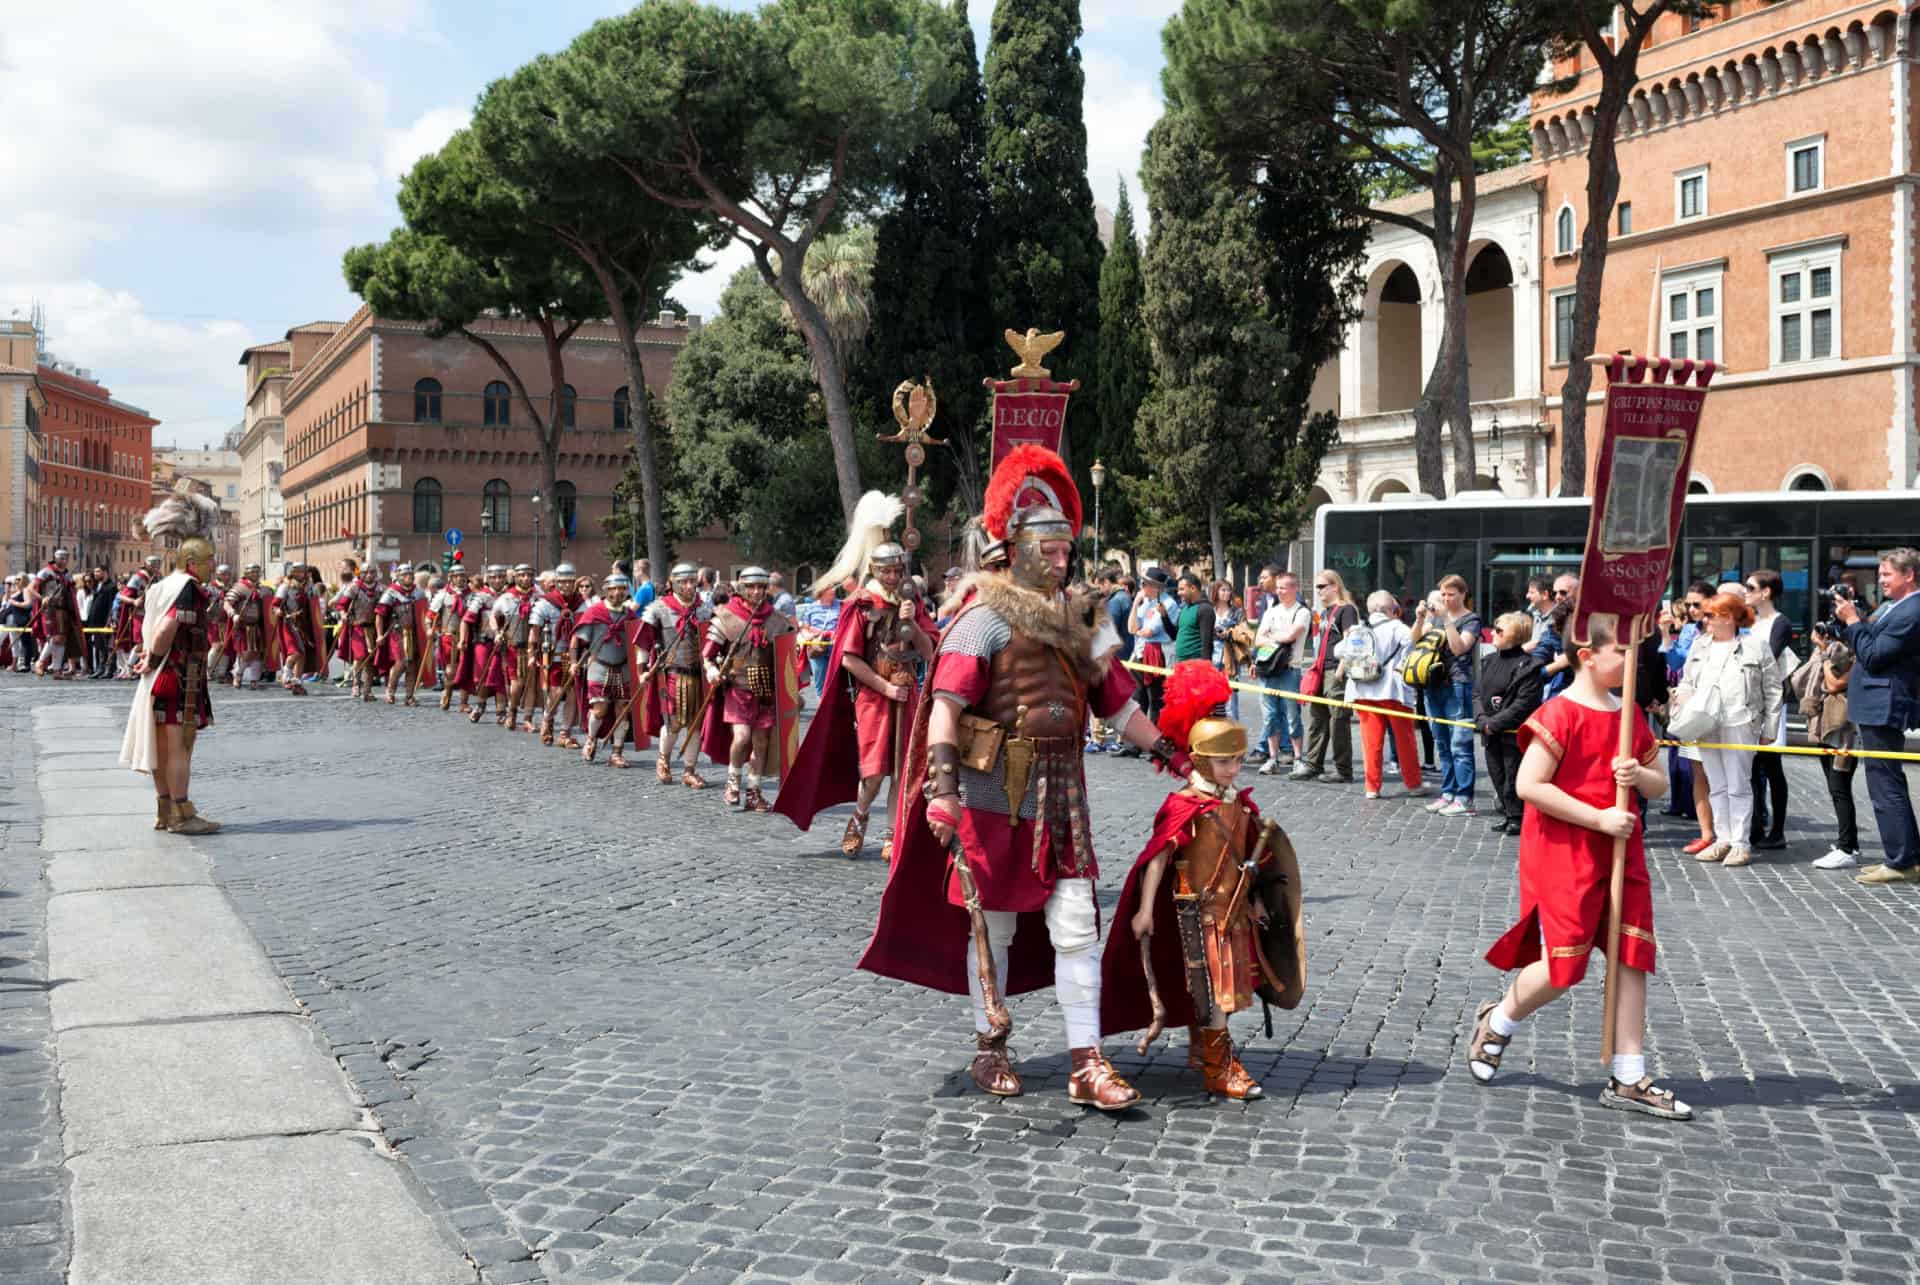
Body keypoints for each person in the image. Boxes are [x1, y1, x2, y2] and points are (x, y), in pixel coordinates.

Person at [859, 444, 1178, 1110]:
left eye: (1068, 549)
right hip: (991, 796)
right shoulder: (983, 618)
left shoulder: (1083, 621)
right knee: (995, 926)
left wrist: (1170, 750)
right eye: (1051, 549)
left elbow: (1118, 704)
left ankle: (1087, 1061)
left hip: (1062, 794)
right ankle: (990, 1043)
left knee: (1077, 924)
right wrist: (942, 796)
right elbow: (944, 711)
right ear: (1017, 550)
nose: (1064, 560)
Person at [1467, 618, 1690, 1120]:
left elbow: (1659, 785)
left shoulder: (1629, 712)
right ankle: (1499, 1021)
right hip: (1565, 850)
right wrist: (1597, 817)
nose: (1632, 664)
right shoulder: (1559, 712)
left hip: (1621, 848)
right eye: (1622, 654)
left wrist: (1640, 776)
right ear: (1587, 655)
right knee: (1565, 967)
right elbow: (1530, 786)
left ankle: (1629, 1074)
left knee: (1632, 953)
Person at [1102, 661, 1303, 1100]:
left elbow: (1250, 858)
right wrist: (1142, 911)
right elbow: (1159, 857)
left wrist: (1255, 901)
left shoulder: (1238, 805)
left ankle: (1202, 1046)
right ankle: (1218, 1065)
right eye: (1222, 761)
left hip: (1233, 913)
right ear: (1200, 760)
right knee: (1212, 987)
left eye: (1235, 760)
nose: (1232, 769)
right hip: (1199, 916)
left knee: (1219, 987)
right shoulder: (1185, 805)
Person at [772, 493, 935, 859]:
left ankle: (893, 834)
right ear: (876, 571)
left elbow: (930, 651)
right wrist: (885, 688)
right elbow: (848, 659)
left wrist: (912, 623)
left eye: (897, 571)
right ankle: (859, 818)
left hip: (907, 690)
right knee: (875, 773)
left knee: (902, 771)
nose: (893, 577)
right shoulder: (861, 603)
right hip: (874, 695)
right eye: (887, 571)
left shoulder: (912, 602)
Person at [120, 484, 224, 836]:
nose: (212, 565)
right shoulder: (188, 588)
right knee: (179, 747)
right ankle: (183, 813)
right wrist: (155, 656)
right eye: (208, 559)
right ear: (193, 562)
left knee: (162, 748)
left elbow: (149, 624)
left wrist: (149, 655)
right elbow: (169, 625)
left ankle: (164, 810)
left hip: (162, 676)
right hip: (180, 675)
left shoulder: (162, 584)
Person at [1834, 548, 1920, 886]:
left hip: (1883, 704)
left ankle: (1900, 860)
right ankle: (1907, 856)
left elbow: (1872, 656)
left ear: (1908, 575)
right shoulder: (1894, 608)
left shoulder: (1911, 610)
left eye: (1887, 574)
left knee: (1885, 784)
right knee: (1887, 782)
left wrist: (1854, 621)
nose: (1881, 580)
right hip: (1874, 703)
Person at [1676, 590, 1779, 868]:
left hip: (1741, 719)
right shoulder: (1700, 645)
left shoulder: (1756, 646)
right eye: (1706, 614)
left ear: (1730, 617)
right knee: (1716, 784)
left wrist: (1770, 726)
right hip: (1705, 721)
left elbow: (1772, 688)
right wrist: (1683, 700)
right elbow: (1686, 680)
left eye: (1712, 614)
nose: (1706, 619)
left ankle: (1741, 843)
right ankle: (1723, 838)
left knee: (1738, 784)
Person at [697, 566, 797, 811]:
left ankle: (754, 792)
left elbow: (787, 658)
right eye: (751, 587)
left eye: (760, 587)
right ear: (742, 589)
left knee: (761, 742)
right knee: (741, 738)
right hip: (738, 688)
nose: (756, 592)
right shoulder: (726, 616)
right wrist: (711, 671)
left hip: (765, 692)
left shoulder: (776, 620)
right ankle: (732, 783)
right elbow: (707, 655)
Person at [1792, 623, 1862, 870]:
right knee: (1836, 789)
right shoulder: (1826, 653)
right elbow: (1800, 681)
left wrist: (1824, 657)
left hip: (1843, 731)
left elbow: (1833, 684)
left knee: (1840, 787)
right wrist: (1820, 653)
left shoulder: (1851, 654)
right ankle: (1849, 842)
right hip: (1825, 727)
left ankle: (1847, 847)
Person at [639, 562, 714, 788]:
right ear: (674, 583)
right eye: (684, 582)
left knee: (695, 723)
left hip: (698, 674)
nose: (689, 586)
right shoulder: (659, 608)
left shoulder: (705, 609)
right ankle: (663, 760)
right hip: (671, 674)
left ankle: (690, 770)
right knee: (673, 722)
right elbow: (643, 641)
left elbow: (716, 639)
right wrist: (642, 670)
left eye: (692, 581)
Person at [1414, 574, 1482, 816]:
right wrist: (1420, 619)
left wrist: (1446, 619)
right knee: (1442, 743)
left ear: (1463, 594)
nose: (1445, 598)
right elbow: (1416, 642)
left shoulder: (1471, 620)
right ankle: (1448, 793)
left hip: (1457, 685)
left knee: (1460, 744)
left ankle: (1465, 799)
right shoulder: (1437, 619)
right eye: (1442, 594)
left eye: (1451, 594)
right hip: (1433, 685)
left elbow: (1459, 647)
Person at [1348, 589, 1423, 801]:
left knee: (1371, 742)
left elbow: (1340, 652)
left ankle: (1372, 787)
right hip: (1393, 690)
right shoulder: (1396, 626)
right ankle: (1413, 783)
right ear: (1392, 609)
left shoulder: (1357, 629)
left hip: (1363, 690)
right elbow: (1412, 642)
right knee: (1405, 740)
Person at [1475, 613, 1546, 836]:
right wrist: (1482, 720)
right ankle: (1508, 813)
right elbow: (1477, 694)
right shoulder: (1488, 661)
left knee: (1513, 774)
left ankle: (1518, 816)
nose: (1493, 633)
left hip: (1513, 733)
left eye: (1500, 630)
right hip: (1490, 731)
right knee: (1497, 773)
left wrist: (1495, 722)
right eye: (1494, 629)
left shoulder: (1529, 666)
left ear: (1514, 634)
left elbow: (1524, 703)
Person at [1742, 569, 1794, 851]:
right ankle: (1754, 826)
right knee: (1749, 767)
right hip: (1749, 702)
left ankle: (1777, 829)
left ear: (1766, 592)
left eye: (1750, 587)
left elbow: (1768, 657)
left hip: (1771, 703)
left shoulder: (1780, 622)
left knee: (1772, 766)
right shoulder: (1748, 622)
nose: (1745, 591)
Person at [571, 572, 643, 768]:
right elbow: (577, 639)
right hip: (599, 665)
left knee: (622, 711)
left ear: (627, 591)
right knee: (600, 709)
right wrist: (573, 661)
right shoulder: (595, 612)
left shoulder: (630, 616)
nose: (618, 592)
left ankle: (617, 752)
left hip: (624, 668)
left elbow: (638, 641)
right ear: (606, 590)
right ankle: (591, 740)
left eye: (621, 589)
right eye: (613, 589)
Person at [1293, 570, 1358, 783]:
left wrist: (1341, 668)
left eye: (1322, 586)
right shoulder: (1324, 612)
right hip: (1321, 669)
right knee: (1317, 718)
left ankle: (1343, 769)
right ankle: (1313, 763)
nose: (1318, 590)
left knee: (1338, 720)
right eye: (1317, 587)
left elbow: (1352, 641)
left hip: (1335, 670)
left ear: (1335, 586)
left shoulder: (1346, 610)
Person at [1128, 568, 1177, 729]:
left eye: (1145, 584)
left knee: (1155, 699)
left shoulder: (1168, 603)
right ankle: (1135, 743)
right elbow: (1132, 628)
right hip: (1140, 652)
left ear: (1156, 586)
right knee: (1137, 698)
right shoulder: (1145, 602)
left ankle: (1154, 741)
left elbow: (1148, 631)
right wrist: (1135, 602)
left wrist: (1139, 631)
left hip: (1156, 654)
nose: (1142, 587)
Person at [329, 559, 380, 702]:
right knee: (360, 656)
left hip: (373, 628)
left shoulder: (380, 588)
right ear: (362, 574)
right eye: (367, 572)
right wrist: (343, 614)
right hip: (357, 627)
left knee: (370, 660)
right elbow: (341, 605)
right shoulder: (354, 587)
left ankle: (368, 690)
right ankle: (356, 684)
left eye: (372, 572)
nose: (369, 575)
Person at [29, 548, 84, 678]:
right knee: (55, 638)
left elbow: (71, 591)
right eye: (62, 558)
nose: (64, 561)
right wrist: (42, 598)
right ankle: (40, 662)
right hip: (50, 609)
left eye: (66, 558)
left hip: (64, 610)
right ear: (56, 558)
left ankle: (57, 669)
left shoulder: (66, 574)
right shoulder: (45, 572)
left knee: (62, 639)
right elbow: (31, 589)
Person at [274, 563, 325, 695]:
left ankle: (297, 681)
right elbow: (275, 605)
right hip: (290, 623)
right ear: (292, 573)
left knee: (303, 653)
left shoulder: (309, 587)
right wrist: (278, 610)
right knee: (295, 651)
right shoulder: (286, 586)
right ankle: (286, 673)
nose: (300, 574)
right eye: (298, 572)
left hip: (305, 624)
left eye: (302, 572)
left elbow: (316, 603)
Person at [222, 563, 270, 689]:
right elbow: (227, 603)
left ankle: (254, 679)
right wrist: (233, 615)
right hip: (243, 626)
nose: (255, 574)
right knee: (246, 652)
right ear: (247, 573)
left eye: (257, 572)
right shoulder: (240, 587)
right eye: (253, 572)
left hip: (258, 625)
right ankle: (237, 674)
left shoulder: (262, 589)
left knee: (257, 652)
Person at [1209, 580, 1247, 725]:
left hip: (1231, 661)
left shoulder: (1237, 612)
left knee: (1231, 702)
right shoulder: (1210, 610)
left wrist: (1229, 633)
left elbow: (1245, 633)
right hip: (1212, 659)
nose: (1226, 593)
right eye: (1222, 590)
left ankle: (1234, 736)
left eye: (1228, 590)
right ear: (1215, 592)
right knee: (1212, 700)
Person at [85, 566, 115, 678]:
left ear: (105, 572)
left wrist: (109, 620)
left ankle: (109, 669)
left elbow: (111, 605)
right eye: (95, 571)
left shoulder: (111, 586)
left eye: (98, 571)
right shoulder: (98, 586)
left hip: (104, 622)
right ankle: (100, 668)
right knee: (99, 647)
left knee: (107, 646)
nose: (95, 574)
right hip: (95, 622)